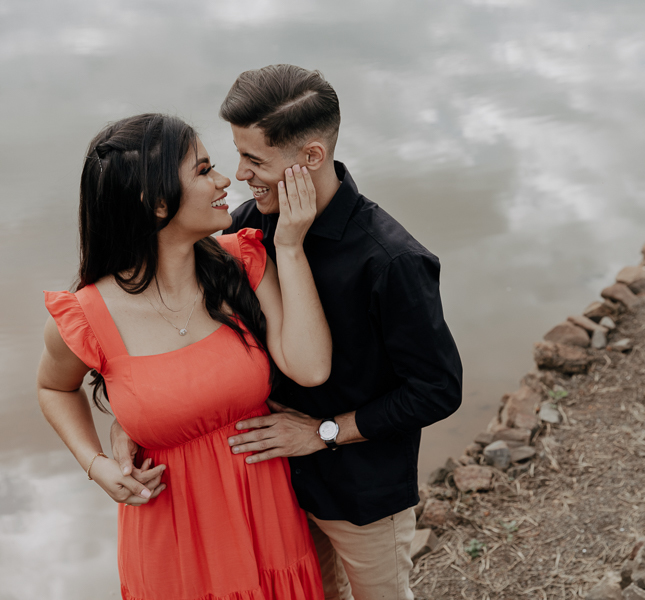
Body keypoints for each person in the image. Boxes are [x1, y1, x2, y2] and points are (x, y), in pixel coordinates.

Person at [112, 65, 465, 600]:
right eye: (236, 153)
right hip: (270, 488)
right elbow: (171, 315)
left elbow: (438, 389)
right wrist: (132, 418)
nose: (239, 173)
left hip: (362, 493)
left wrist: (325, 432)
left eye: (255, 159)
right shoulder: (247, 226)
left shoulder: (392, 260)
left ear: (312, 157)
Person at [37, 113, 330, 600]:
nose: (224, 181)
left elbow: (311, 367)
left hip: (270, 525)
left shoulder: (243, 262)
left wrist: (291, 247)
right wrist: (96, 465)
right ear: (155, 204)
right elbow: (53, 387)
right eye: (203, 170)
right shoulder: (86, 316)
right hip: (174, 550)